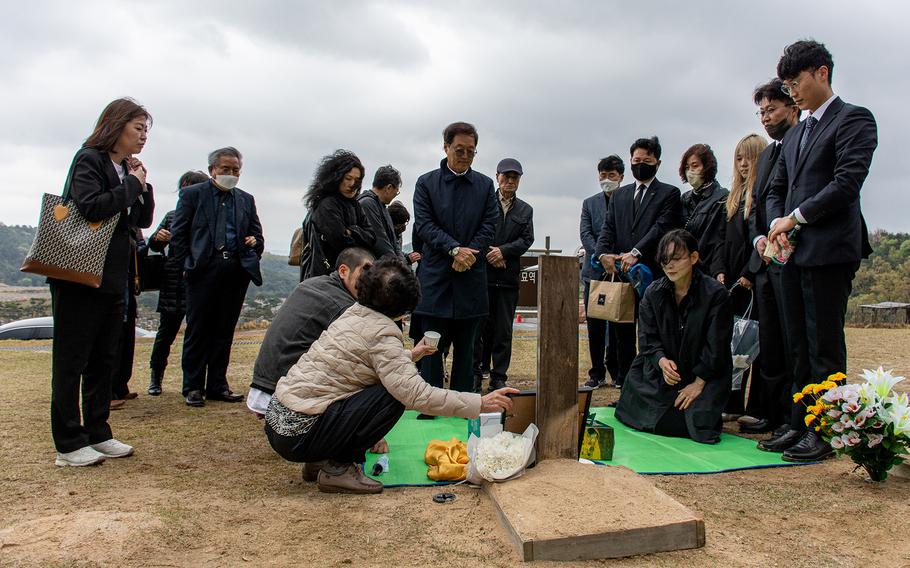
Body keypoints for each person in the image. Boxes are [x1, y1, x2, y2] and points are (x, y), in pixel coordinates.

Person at [265, 257, 519, 494]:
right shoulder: (383, 333)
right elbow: (416, 394)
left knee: (385, 388)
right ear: (405, 308)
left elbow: (362, 363)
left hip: (280, 421)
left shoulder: (352, 313)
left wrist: (412, 355)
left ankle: (318, 460)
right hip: (300, 433)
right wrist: (481, 403)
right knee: (392, 397)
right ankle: (338, 468)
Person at [765, 40, 877, 462]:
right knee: (797, 343)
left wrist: (795, 218)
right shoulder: (796, 135)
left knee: (823, 344)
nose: (792, 92)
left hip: (830, 251)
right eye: (787, 84)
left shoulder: (854, 120)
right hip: (790, 254)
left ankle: (827, 430)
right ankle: (798, 422)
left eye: (797, 82)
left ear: (822, 72)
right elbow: (778, 188)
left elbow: (846, 183)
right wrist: (776, 226)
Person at [49, 97, 153, 466]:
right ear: (117, 125)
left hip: (113, 274)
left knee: (102, 357)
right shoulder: (89, 159)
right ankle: (68, 441)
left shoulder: (126, 168)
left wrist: (141, 183)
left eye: (146, 130)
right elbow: (91, 206)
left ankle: (98, 431)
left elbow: (140, 219)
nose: (143, 136)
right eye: (138, 128)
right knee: (71, 358)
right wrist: (132, 186)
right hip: (79, 272)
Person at [615, 230, 733, 443]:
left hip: (704, 374)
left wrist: (698, 383)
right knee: (647, 416)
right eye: (665, 260)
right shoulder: (653, 292)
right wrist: (661, 361)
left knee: (696, 424)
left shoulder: (716, 294)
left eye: (677, 259)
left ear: (694, 258)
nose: (670, 265)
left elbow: (717, 345)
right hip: (664, 372)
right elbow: (647, 339)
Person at [168, 147, 265, 407]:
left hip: (235, 271)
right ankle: (193, 386)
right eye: (226, 169)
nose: (231, 174)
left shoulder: (245, 199)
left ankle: (217, 384)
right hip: (202, 270)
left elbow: (258, 235)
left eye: (235, 170)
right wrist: (185, 267)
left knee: (224, 330)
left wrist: (254, 243)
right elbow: (179, 234)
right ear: (213, 170)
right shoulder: (192, 195)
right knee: (198, 329)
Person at [412, 122, 499, 393]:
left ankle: (462, 404)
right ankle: (429, 404)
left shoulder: (485, 185)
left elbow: (490, 224)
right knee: (430, 349)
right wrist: (453, 249)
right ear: (446, 147)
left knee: (467, 348)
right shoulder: (426, 183)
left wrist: (469, 253)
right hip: (436, 277)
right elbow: (424, 225)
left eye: (471, 151)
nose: (464, 156)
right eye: (459, 149)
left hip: (470, 277)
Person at [594, 136, 682, 389]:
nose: (640, 164)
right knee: (621, 333)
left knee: (650, 331)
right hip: (621, 274)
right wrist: (603, 254)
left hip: (651, 274)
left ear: (657, 162)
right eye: (636, 160)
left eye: (646, 160)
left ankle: (652, 382)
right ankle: (625, 382)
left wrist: (636, 252)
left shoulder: (669, 193)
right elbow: (608, 228)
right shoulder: (620, 195)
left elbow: (661, 228)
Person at [248, 247, 375, 416]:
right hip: (282, 390)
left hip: (264, 383)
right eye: (364, 271)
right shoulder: (342, 305)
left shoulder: (314, 284)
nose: (369, 279)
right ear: (344, 271)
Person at [747, 79, 801, 437]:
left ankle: (792, 416)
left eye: (772, 109)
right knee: (769, 342)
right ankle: (770, 410)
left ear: (793, 107)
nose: (766, 118)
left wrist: (785, 235)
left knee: (795, 339)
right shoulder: (768, 155)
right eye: (761, 112)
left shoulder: (802, 143)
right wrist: (760, 239)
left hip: (797, 254)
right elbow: (756, 205)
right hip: (766, 259)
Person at [712, 133, 768, 418]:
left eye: (749, 158)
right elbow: (722, 239)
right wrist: (720, 269)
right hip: (730, 280)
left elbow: (762, 239)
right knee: (733, 344)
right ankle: (731, 402)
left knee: (752, 343)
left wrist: (749, 272)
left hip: (754, 279)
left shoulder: (763, 194)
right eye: (739, 158)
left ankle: (755, 405)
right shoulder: (733, 196)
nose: (744, 164)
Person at [473, 158, 535, 392]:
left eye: (515, 177)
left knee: (503, 330)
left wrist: (504, 252)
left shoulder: (526, 209)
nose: (510, 181)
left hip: (508, 278)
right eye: (506, 176)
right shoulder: (485, 204)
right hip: (482, 276)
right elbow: (477, 230)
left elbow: (527, 239)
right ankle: (475, 373)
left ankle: (498, 376)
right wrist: (491, 253)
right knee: (478, 329)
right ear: (497, 176)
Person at [146, 170, 210, 396]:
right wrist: (158, 238)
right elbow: (153, 245)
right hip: (173, 280)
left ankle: (193, 381)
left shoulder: (208, 217)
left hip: (197, 278)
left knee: (197, 335)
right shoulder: (173, 216)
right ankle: (156, 377)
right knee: (166, 332)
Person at [580, 155, 624, 388]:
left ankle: (616, 370)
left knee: (618, 325)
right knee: (595, 324)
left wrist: (615, 260)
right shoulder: (589, 203)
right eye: (603, 175)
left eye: (612, 175)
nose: (607, 179)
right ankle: (596, 372)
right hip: (594, 273)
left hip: (619, 273)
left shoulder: (627, 200)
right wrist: (600, 255)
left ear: (621, 177)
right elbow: (586, 234)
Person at [300, 150, 376, 281]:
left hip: (347, 276)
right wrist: (359, 233)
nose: (352, 184)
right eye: (348, 178)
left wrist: (352, 231)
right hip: (326, 276)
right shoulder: (327, 204)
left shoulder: (355, 205)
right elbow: (340, 241)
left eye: (357, 180)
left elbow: (372, 237)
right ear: (336, 178)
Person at [680, 144, 728, 274]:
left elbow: (717, 238)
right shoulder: (685, 198)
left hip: (709, 268)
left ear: (707, 166)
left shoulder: (722, 197)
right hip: (686, 266)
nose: (690, 171)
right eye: (687, 167)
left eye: (695, 166)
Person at [358, 165, 407, 262]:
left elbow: (393, 243)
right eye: (396, 191)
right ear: (388, 188)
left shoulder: (382, 206)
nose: (395, 195)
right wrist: (397, 267)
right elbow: (380, 242)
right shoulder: (367, 204)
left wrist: (402, 264)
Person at [387, 200, 421, 265]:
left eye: (405, 224)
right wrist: (407, 260)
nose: (404, 229)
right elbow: (389, 256)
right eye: (401, 226)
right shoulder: (385, 236)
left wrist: (408, 256)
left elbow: (398, 251)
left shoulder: (398, 232)